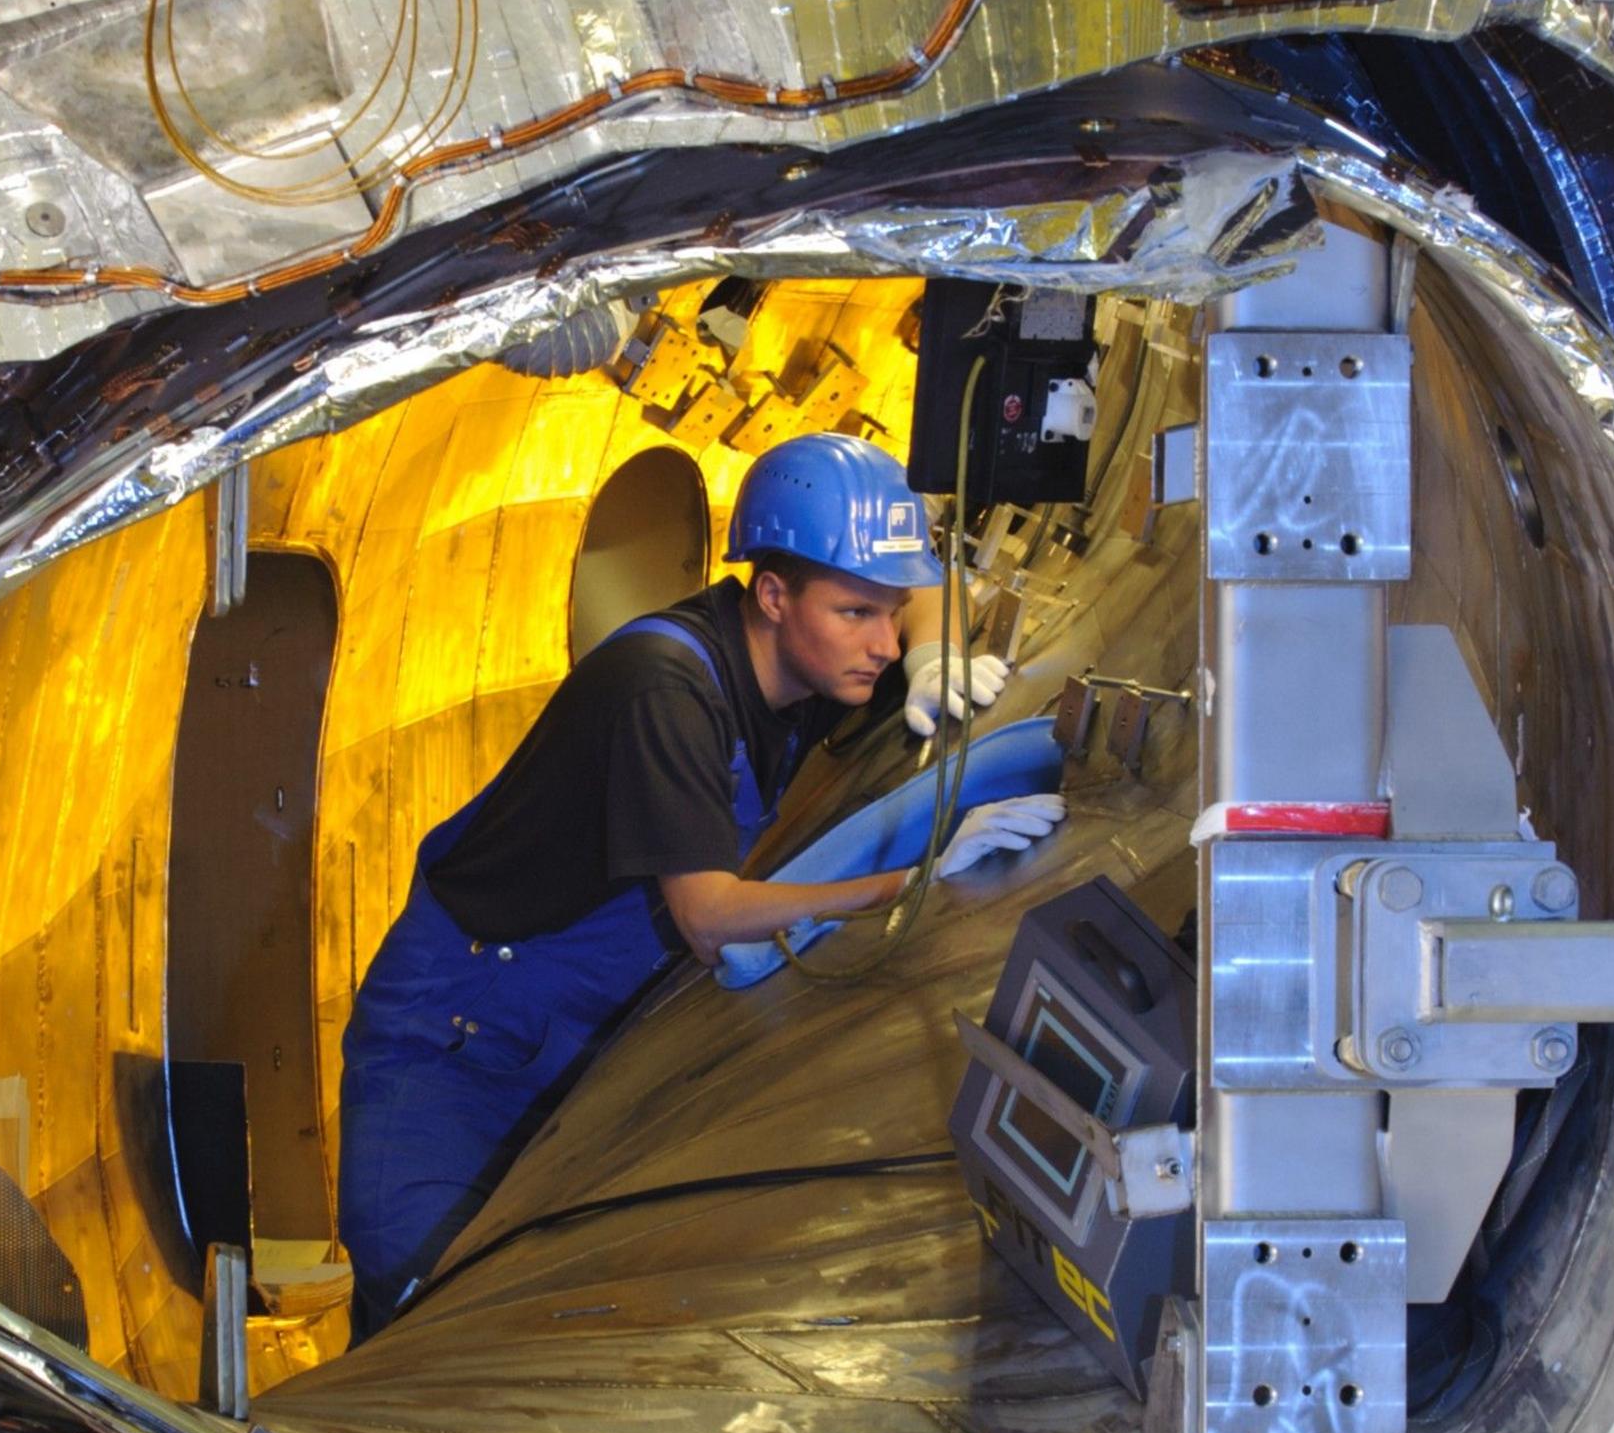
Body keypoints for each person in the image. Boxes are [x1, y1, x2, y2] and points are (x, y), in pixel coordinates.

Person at [335, 433, 1066, 1324]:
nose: (879, 643)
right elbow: (711, 916)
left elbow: (941, 591)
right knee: (420, 1300)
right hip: (458, 1035)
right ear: (771, 593)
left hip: (575, 1031)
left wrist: (932, 657)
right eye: (855, 614)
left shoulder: (811, 658)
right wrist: (909, 883)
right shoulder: (667, 691)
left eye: (889, 614)